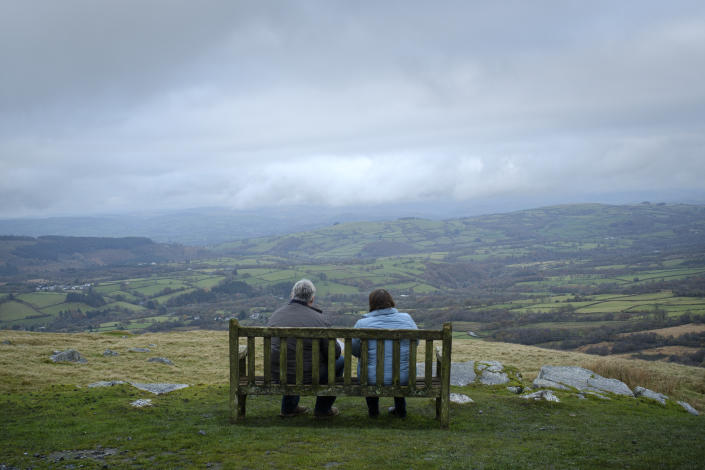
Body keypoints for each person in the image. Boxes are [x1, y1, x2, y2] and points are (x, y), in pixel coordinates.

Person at [268, 279, 343, 418]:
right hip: (309, 375)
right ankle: (323, 409)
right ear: (312, 298)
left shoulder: (275, 316)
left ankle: (289, 408)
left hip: (278, 373)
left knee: (291, 362)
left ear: (292, 295)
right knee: (341, 361)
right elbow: (334, 353)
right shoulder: (319, 320)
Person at [352, 289, 418, 418]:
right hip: (404, 378)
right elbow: (415, 343)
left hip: (370, 378)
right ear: (391, 302)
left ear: (371, 304)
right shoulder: (407, 319)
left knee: (369, 372)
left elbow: (354, 350)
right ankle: (400, 410)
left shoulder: (362, 323)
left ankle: (373, 411)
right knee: (399, 372)